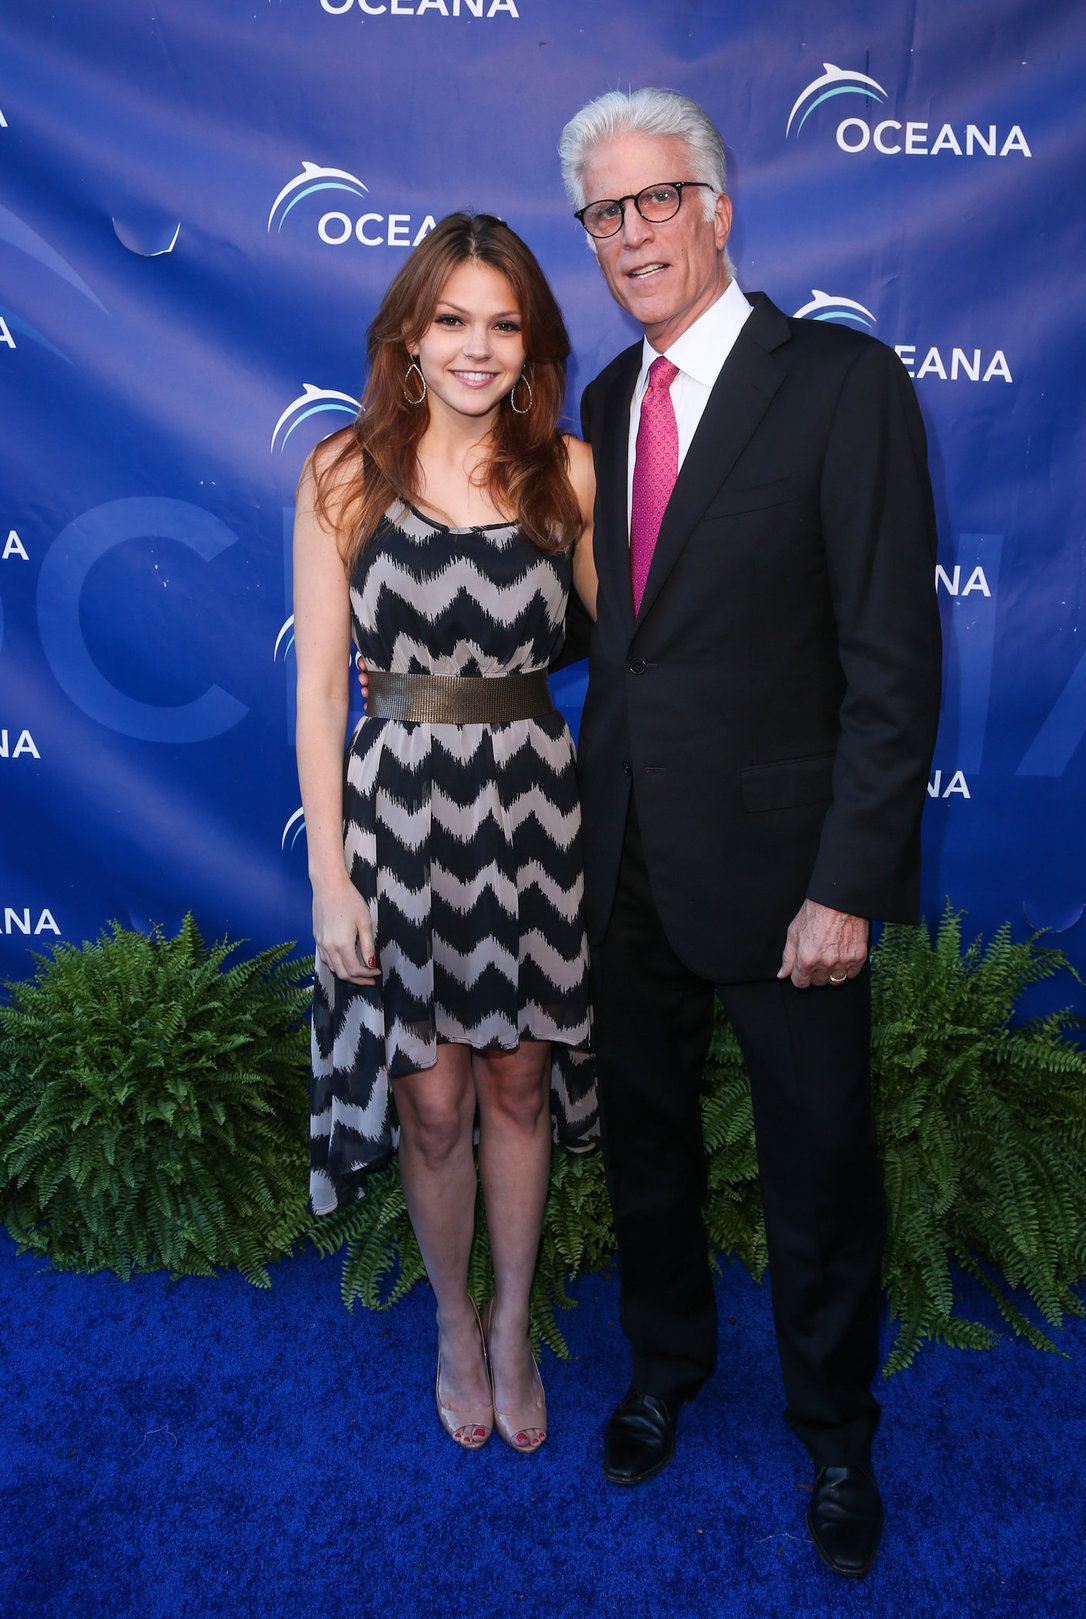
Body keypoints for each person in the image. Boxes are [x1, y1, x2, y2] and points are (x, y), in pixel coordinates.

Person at [557, 90, 942, 1576]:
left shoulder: (843, 382)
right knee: (647, 1145)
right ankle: (663, 1368)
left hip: (791, 877)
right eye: (606, 212)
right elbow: (630, 642)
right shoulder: (603, 400)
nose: (633, 232)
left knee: (819, 1162)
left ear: (718, 209)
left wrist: (847, 879)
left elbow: (891, 663)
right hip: (630, 855)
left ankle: (836, 1434)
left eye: (658, 200)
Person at [293, 212, 599, 1455]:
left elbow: (643, 656)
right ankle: (452, 1324)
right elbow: (319, 689)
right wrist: (329, 876)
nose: (477, 347)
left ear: (531, 345)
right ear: (410, 337)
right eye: (451, 319)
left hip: (534, 814)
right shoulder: (341, 473)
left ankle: (515, 1320)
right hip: (399, 816)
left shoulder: (566, 475)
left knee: (520, 1081)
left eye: (503, 322)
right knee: (431, 1104)